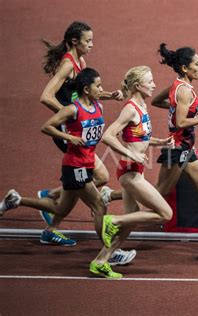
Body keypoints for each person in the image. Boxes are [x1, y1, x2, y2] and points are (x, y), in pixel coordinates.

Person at [103, 43, 198, 249]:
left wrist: (174, 106)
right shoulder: (184, 91)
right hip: (178, 149)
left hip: (186, 149)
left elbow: (156, 101)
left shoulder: (178, 85)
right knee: (158, 196)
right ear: (184, 68)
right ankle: (113, 216)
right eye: (196, 64)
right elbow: (180, 123)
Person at [0, 68, 121, 277]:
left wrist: (113, 95)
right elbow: (46, 127)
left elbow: (101, 95)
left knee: (58, 208)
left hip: (87, 162)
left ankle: (16, 200)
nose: (101, 89)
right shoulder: (72, 110)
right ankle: (110, 253)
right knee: (99, 206)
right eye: (98, 85)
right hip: (75, 166)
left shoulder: (97, 104)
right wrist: (69, 138)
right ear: (86, 89)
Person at [37, 21, 124, 249]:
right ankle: (50, 204)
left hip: (78, 129)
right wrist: (67, 115)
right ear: (74, 41)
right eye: (88, 40)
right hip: (69, 132)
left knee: (87, 180)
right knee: (97, 178)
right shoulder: (67, 64)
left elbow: (87, 92)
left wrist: (108, 95)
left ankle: (51, 213)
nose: (91, 45)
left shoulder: (81, 62)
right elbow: (46, 96)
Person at [99, 66, 174, 277]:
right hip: (129, 171)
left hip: (135, 169)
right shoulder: (130, 108)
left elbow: (137, 137)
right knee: (165, 213)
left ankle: (100, 260)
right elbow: (108, 136)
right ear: (137, 86)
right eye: (150, 82)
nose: (154, 85)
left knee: (129, 223)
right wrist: (131, 155)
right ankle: (112, 220)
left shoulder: (142, 105)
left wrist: (159, 142)